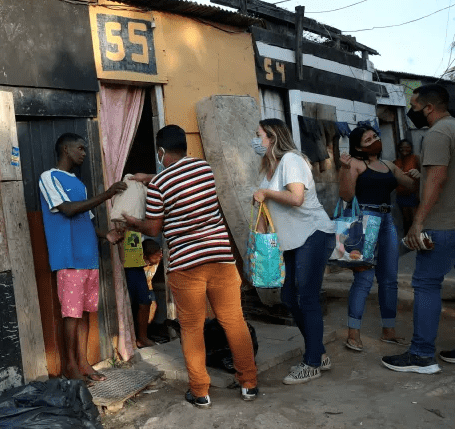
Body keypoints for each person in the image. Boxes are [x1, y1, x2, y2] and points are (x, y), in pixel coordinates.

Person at [122, 125, 258, 408]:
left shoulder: (160, 186)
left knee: (193, 329)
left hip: (187, 266)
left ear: (160, 152)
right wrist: (151, 178)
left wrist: (133, 223)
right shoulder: (204, 169)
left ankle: (200, 392)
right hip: (220, 259)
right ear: (184, 146)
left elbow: (154, 227)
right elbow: (180, 182)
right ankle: (249, 384)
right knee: (234, 321)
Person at [252, 118, 336, 384]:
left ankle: (312, 362)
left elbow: (296, 198)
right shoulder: (266, 169)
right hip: (290, 241)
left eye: (259, 135)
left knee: (306, 296)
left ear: (272, 138)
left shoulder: (292, 160)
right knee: (289, 297)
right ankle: (318, 351)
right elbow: (265, 208)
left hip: (313, 234)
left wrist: (266, 193)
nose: (255, 140)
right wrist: (261, 240)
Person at [38, 132, 127, 383]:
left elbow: (85, 220)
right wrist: (107, 195)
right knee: (71, 315)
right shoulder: (49, 177)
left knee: (86, 313)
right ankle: (70, 367)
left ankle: (84, 363)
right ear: (66, 150)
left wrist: (105, 236)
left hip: (88, 258)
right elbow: (67, 210)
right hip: (69, 258)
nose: (84, 153)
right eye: (80, 148)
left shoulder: (79, 184)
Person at [383, 84, 455, 374]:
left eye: (413, 106)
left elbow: (437, 181)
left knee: (426, 286)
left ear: (428, 107)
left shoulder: (438, 133)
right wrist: (417, 179)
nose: (411, 112)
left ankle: (422, 355)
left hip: (441, 225)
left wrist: (418, 221)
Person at [339, 126, 418, 352]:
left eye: (375, 136)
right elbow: (346, 196)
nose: (374, 141)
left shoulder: (389, 165)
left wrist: (416, 176)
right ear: (357, 147)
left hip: (386, 219)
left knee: (390, 278)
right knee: (364, 279)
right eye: (368, 139)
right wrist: (344, 170)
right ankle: (353, 333)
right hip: (365, 219)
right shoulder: (354, 163)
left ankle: (389, 332)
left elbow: (411, 185)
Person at [119, 233, 162, 347]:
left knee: (144, 302)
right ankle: (130, 339)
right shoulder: (119, 220)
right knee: (128, 304)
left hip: (136, 265)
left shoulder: (135, 226)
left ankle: (142, 338)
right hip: (125, 265)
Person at [393, 139, 421, 234]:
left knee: (415, 219)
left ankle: (417, 239)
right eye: (402, 148)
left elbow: (423, 174)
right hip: (400, 195)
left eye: (407, 147)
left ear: (411, 148)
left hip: (413, 194)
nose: (404, 150)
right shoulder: (396, 162)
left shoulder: (416, 159)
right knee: (405, 220)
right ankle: (408, 241)